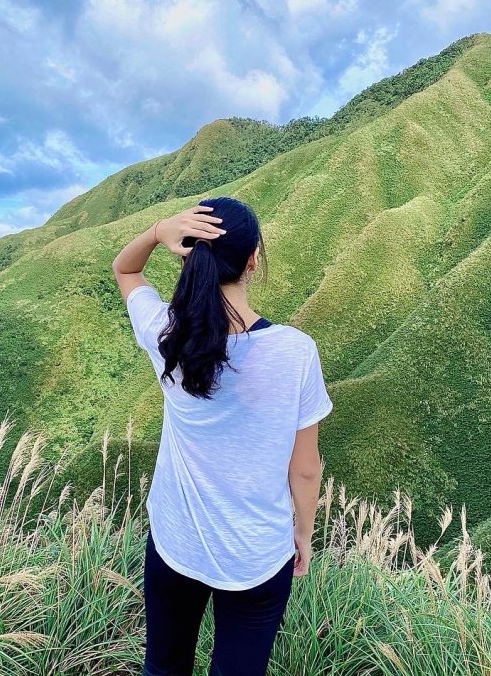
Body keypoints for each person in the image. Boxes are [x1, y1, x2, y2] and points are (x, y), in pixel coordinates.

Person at [111, 196, 335, 676]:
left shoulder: (169, 337)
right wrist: (302, 532)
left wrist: (156, 231)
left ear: (189, 254)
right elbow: (305, 467)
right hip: (257, 552)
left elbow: (126, 271)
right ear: (253, 260)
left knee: (164, 669)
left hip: (176, 542)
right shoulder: (295, 352)